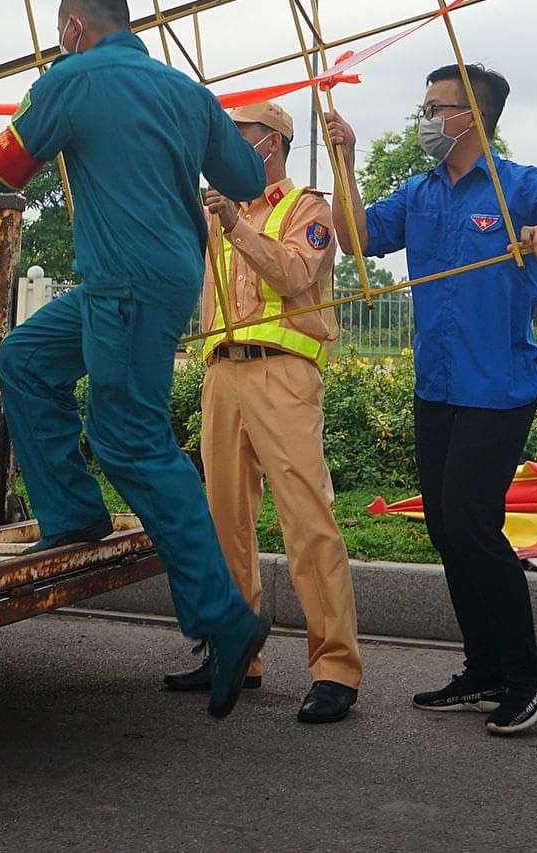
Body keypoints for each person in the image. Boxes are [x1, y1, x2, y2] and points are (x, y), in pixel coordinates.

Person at [0, 0, 271, 720]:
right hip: (147, 276)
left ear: (72, 26)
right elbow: (242, 173)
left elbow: (0, 170)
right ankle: (72, 513)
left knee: (129, 434)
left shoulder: (71, 78)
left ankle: (225, 616)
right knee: (26, 359)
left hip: (127, 280)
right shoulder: (185, 89)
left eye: (58, 30)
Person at [325, 63, 537, 736]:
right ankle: (484, 666)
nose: (426, 117)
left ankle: (529, 671)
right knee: (444, 525)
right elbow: (356, 238)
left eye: (438, 107)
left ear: (474, 118)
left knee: (469, 522)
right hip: (437, 383)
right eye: (424, 104)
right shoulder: (420, 192)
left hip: (498, 387)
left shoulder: (527, 186)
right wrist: (343, 159)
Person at [164, 100, 363, 724]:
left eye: (237, 136)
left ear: (270, 143)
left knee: (308, 521)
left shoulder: (306, 208)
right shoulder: (219, 211)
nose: (224, 148)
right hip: (222, 373)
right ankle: (233, 653)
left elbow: (296, 278)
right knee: (224, 522)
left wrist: (236, 227)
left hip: (284, 374)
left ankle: (335, 669)